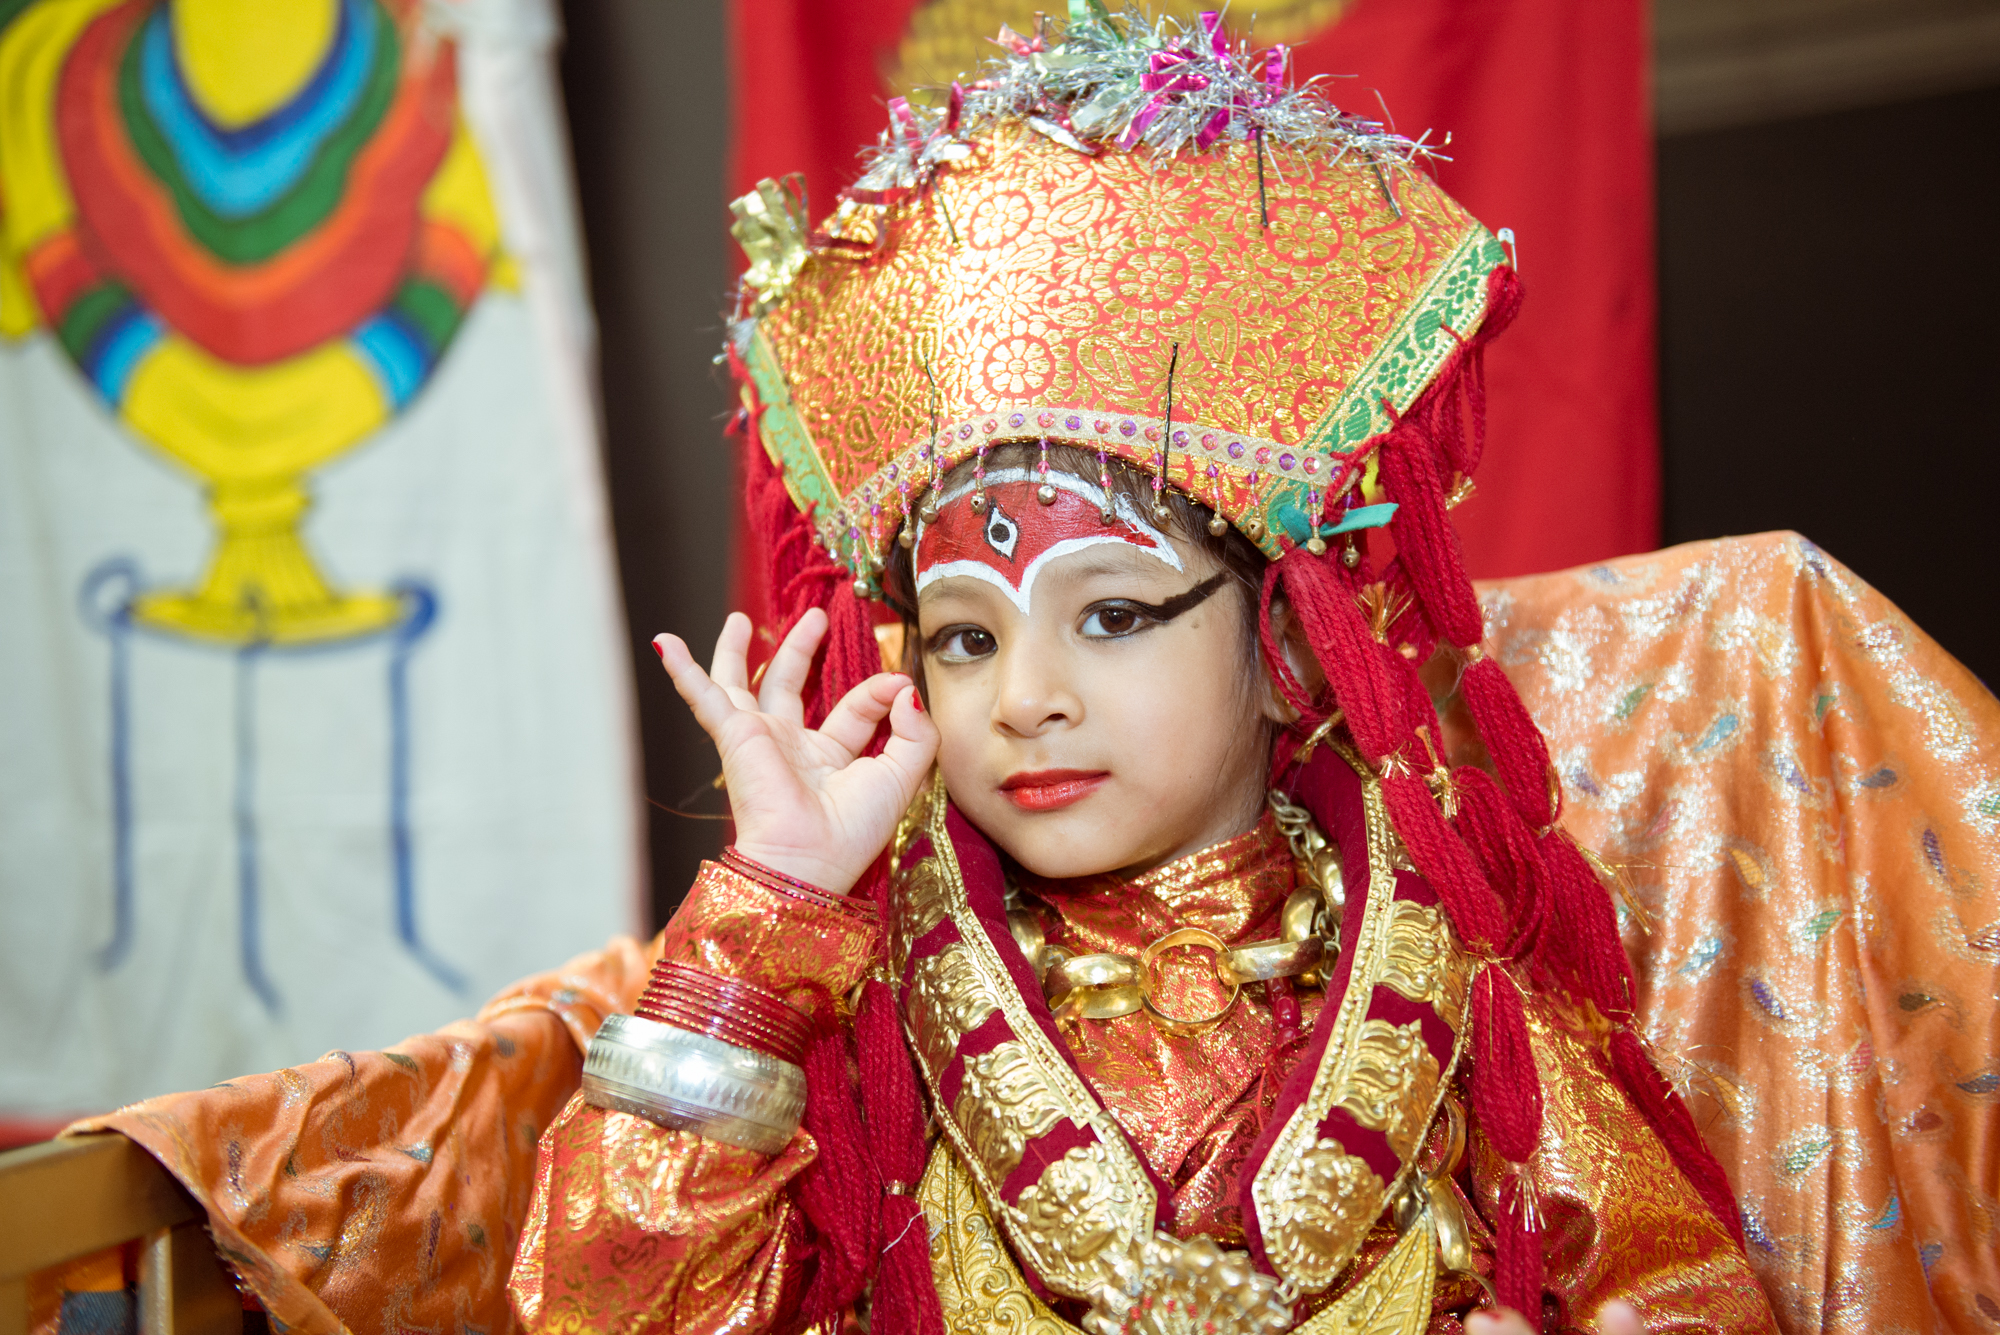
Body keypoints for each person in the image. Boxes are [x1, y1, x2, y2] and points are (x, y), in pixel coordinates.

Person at [503, 13, 1777, 1333]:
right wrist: (766, 913)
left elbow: (1680, 1297)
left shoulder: (1465, 984)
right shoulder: (852, 1008)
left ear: (1289, 650)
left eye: (1111, 616)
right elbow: (602, 1311)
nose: (1023, 700)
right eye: (965, 639)